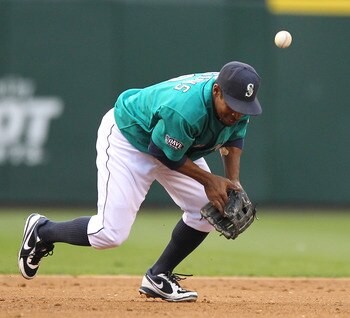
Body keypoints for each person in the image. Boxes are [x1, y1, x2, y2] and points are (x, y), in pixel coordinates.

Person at [18, 61, 262, 302]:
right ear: (217, 91)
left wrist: (233, 182)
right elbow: (161, 152)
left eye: (243, 107)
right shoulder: (186, 110)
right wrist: (210, 181)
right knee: (109, 234)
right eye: (232, 106)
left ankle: (158, 276)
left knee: (208, 210)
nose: (237, 113)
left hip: (173, 144)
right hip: (129, 140)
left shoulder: (236, 99)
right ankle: (42, 230)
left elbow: (234, 140)